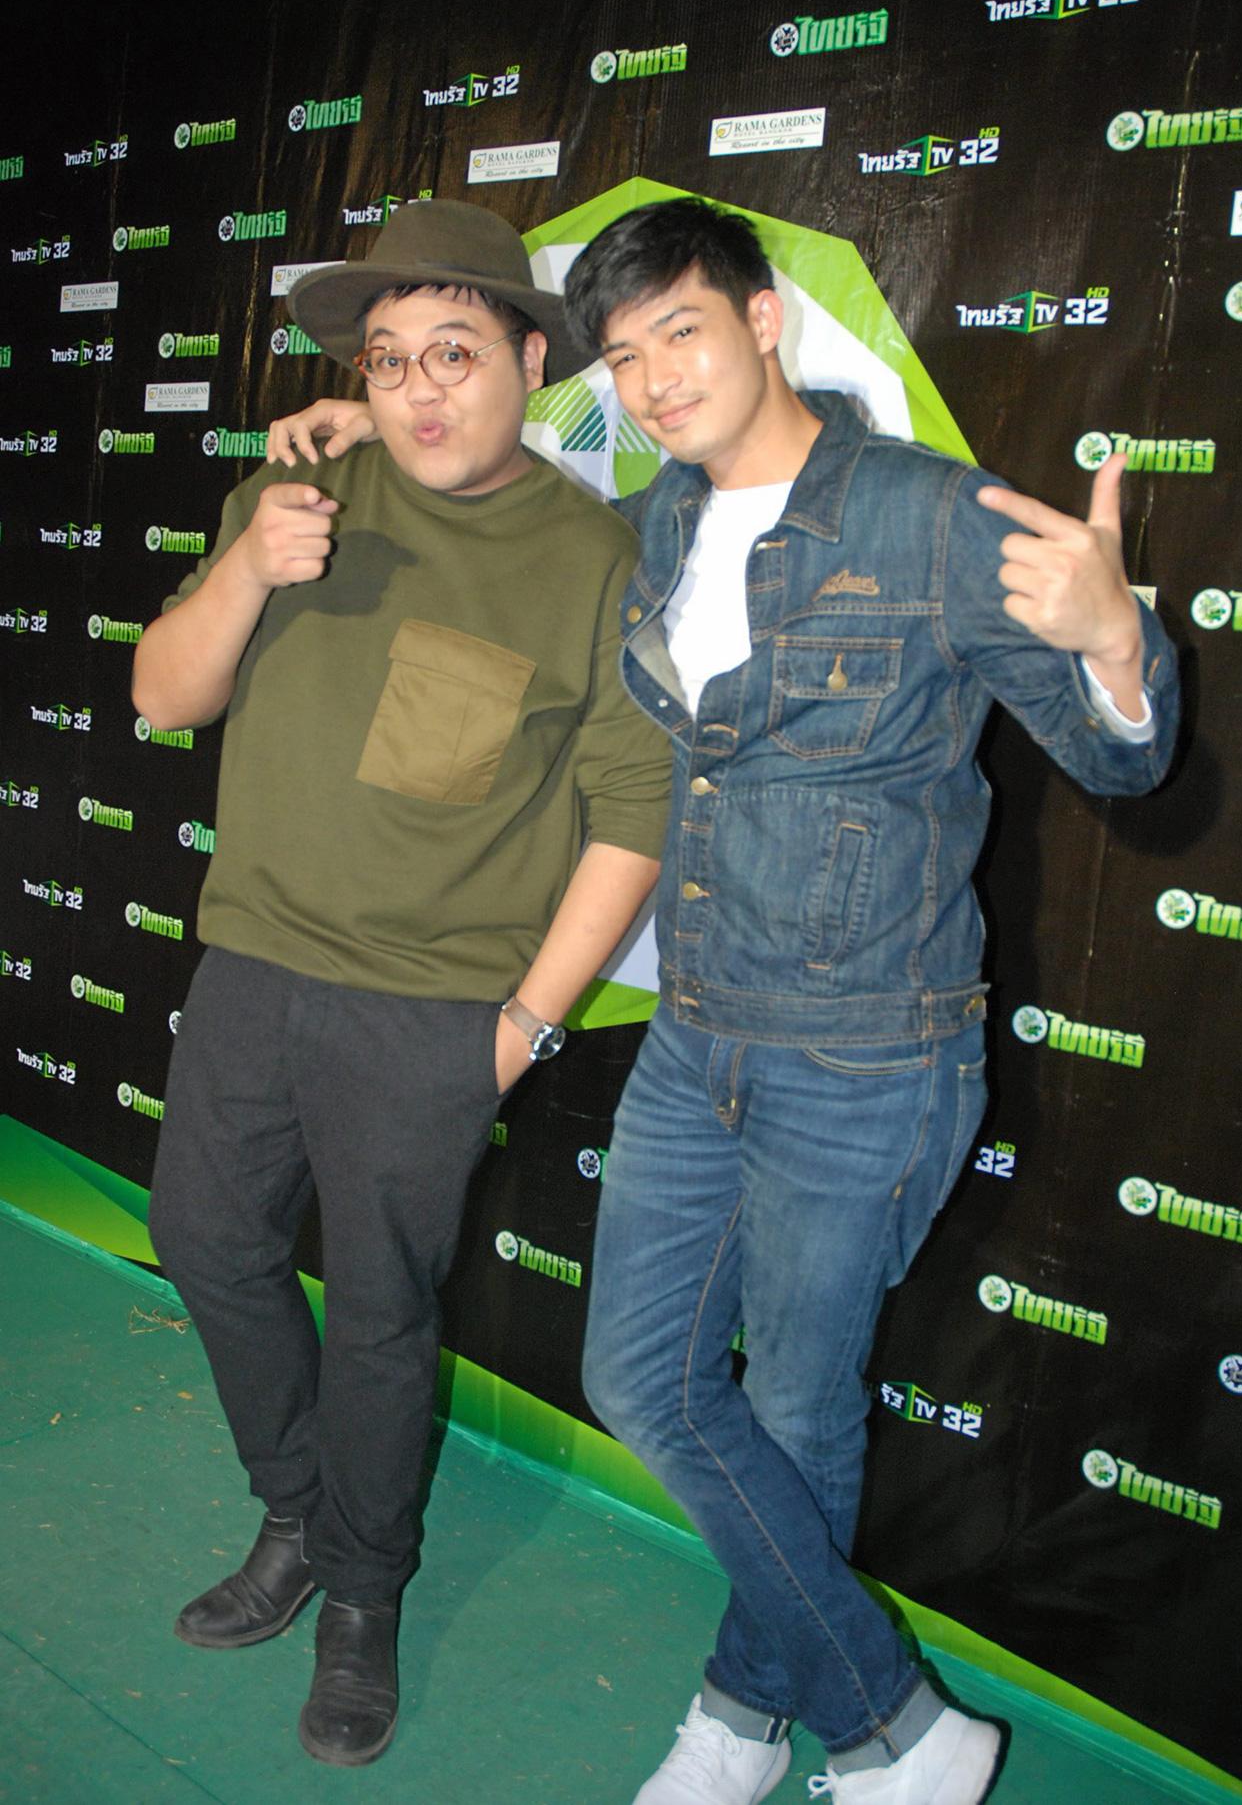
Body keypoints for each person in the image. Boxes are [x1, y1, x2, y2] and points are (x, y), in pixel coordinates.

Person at [269, 196, 1178, 1804]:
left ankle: (745, 1722)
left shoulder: (931, 516)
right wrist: (363, 435)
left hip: (867, 1051)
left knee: (801, 1408)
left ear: (764, 321)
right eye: (623, 357)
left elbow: (1129, 761)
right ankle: (897, 1726)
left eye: (681, 331)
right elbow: (496, 486)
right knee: (644, 1378)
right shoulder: (660, 521)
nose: (655, 380)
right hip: (697, 1037)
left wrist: (1118, 643)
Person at [131, 198, 670, 1769]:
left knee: (378, 1313)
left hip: (432, 1012)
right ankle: (299, 1511)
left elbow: (636, 812)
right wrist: (251, 566)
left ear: (529, 363)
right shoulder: (297, 490)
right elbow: (164, 695)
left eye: (455, 352)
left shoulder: (595, 559)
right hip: (254, 964)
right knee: (204, 1239)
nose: (421, 389)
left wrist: (520, 1029)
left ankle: (362, 1594)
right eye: (388, 359)